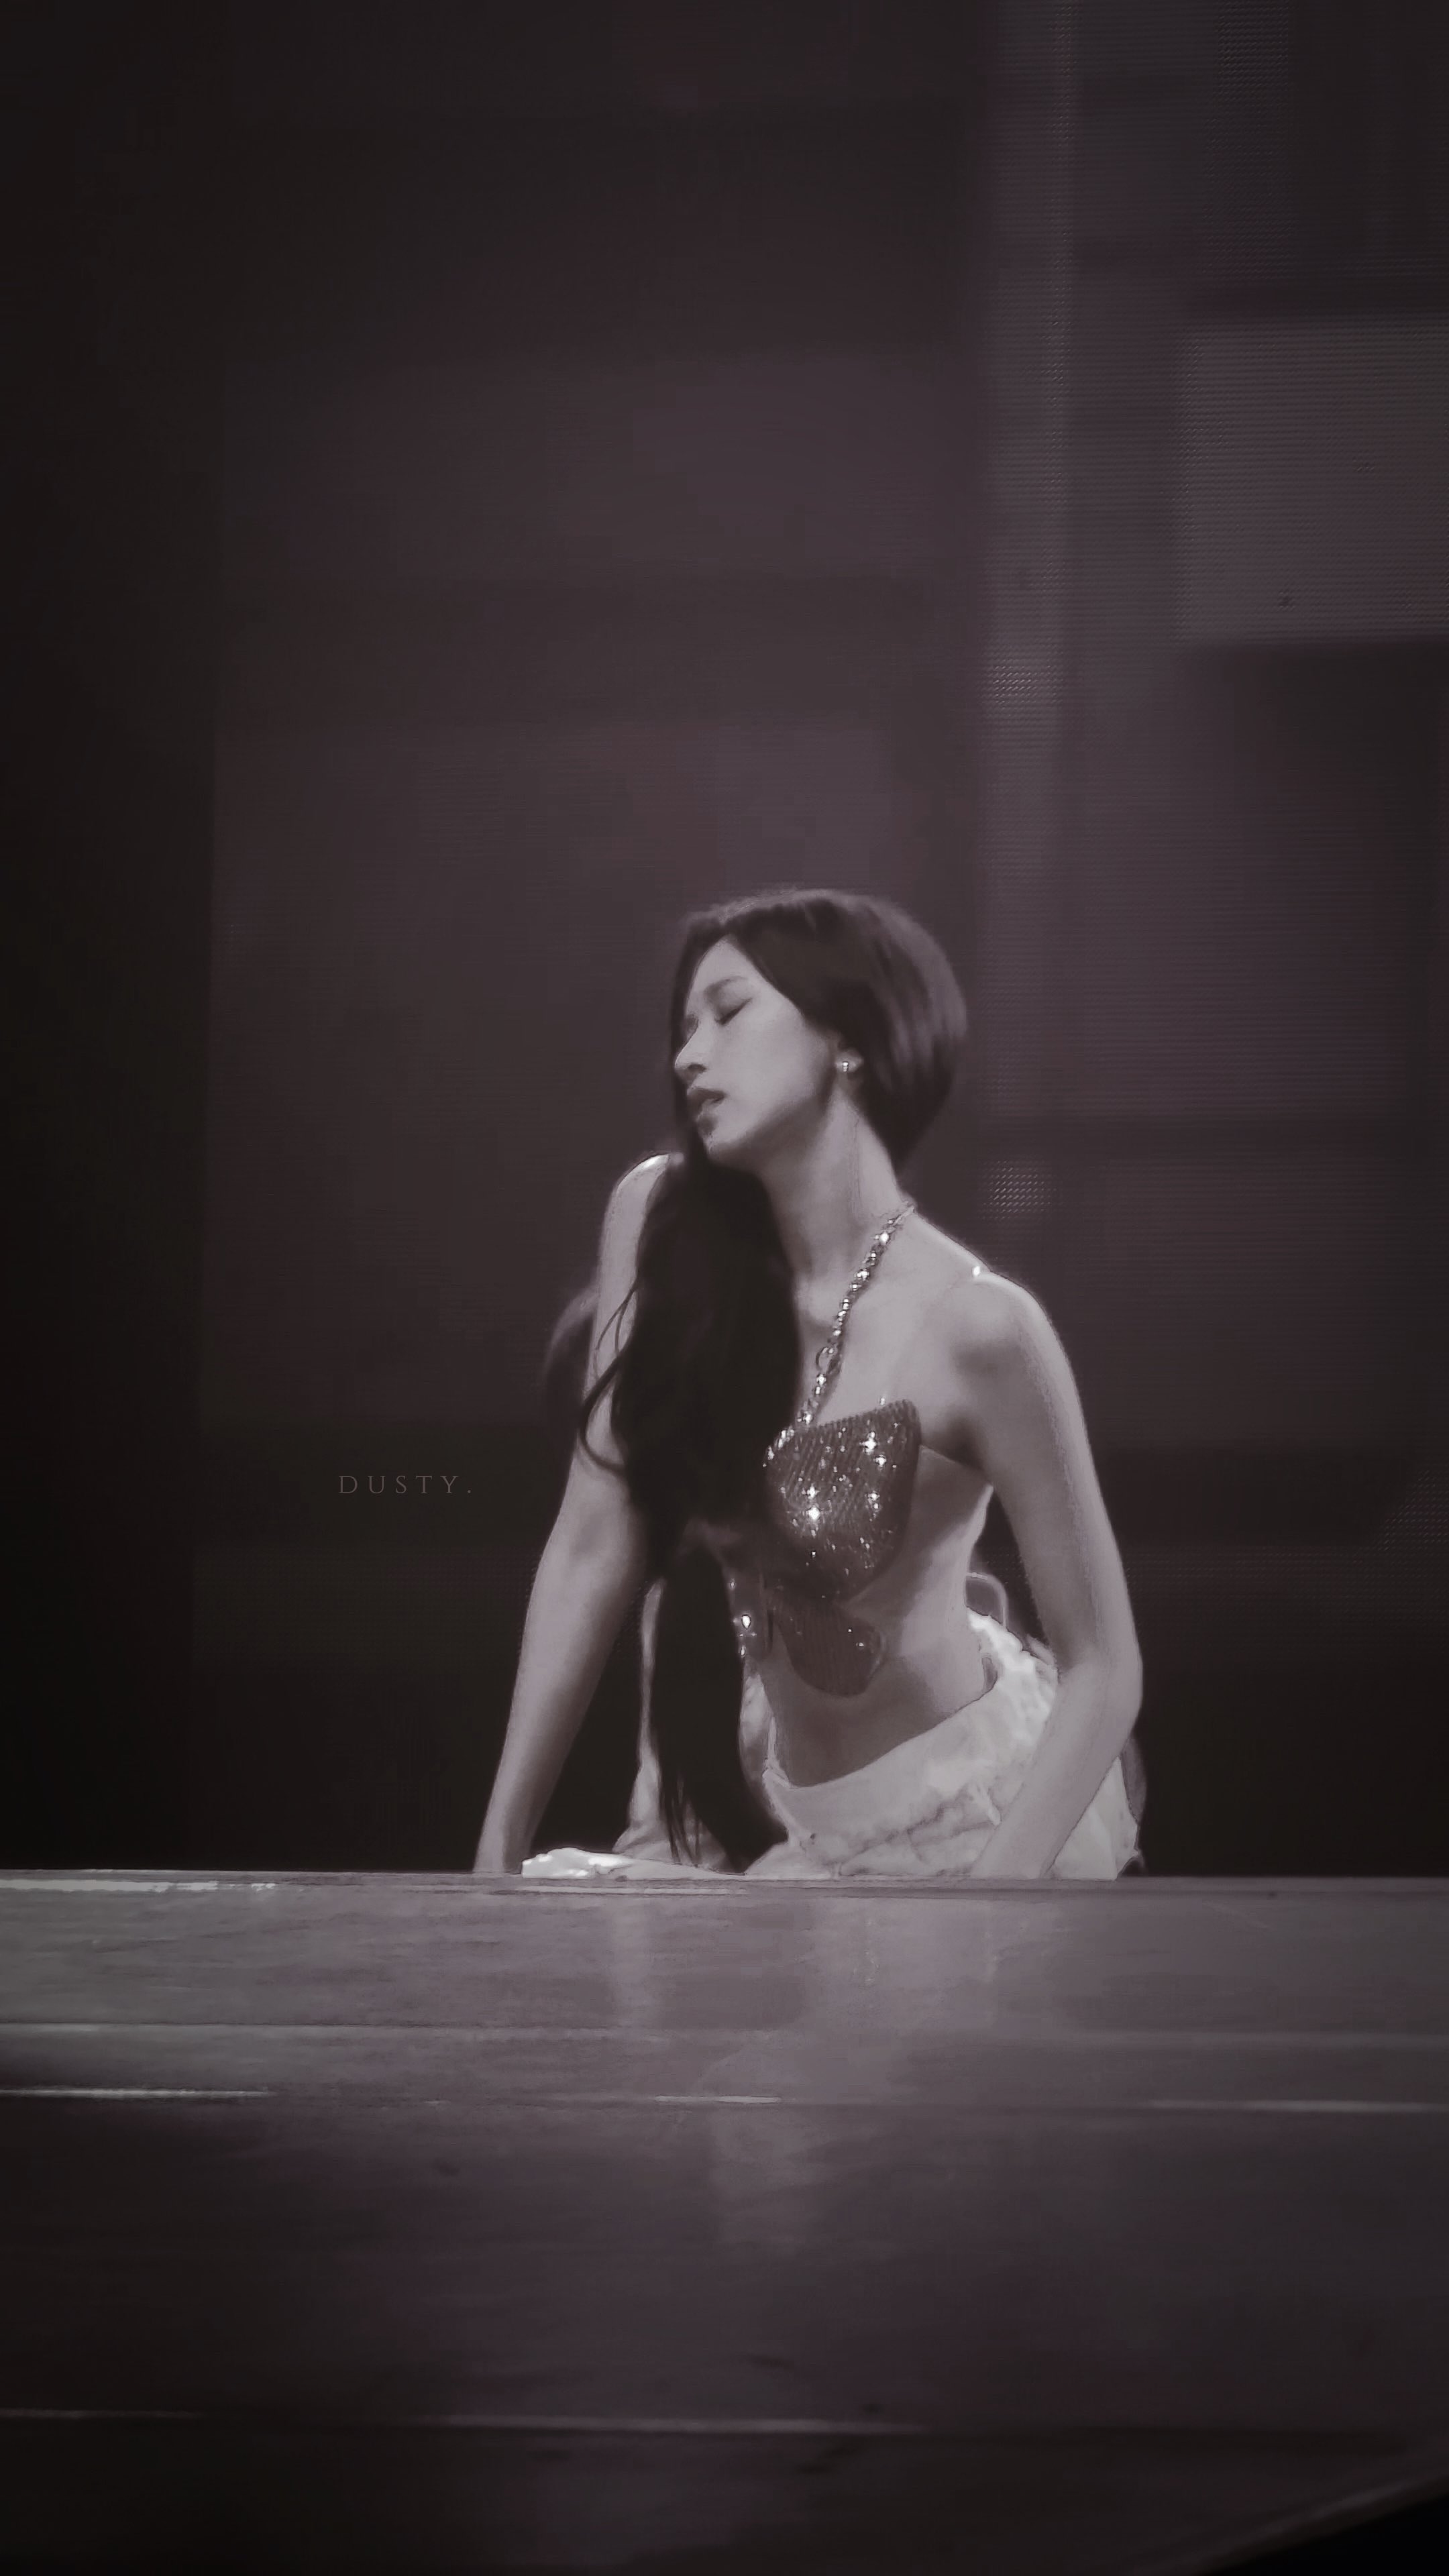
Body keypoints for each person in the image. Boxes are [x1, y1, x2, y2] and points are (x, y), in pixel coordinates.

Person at [474, 888, 1142, 1882]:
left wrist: (992, 1911)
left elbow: (1105, 1668)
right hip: (801, 1825)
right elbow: (590, 1539)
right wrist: (496, 1846)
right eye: (684, 1028)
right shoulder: (659, 1228)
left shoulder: (983, 1330)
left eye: (729, 1013)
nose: (689, 1056)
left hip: (966, 1828)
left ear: (848, 1041)